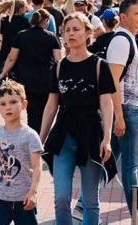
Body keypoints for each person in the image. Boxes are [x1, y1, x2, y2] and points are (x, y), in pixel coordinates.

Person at [38, 13, 114, 225]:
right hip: (64, 134)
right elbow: (51, 105)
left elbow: (106, 104)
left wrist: (107, 138)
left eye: (76, 29)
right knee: (61, 197)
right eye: (67, 30)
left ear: (88, 33)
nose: (70, 34)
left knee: (90, 201)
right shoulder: (59, 66)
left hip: (92, 133)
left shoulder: (100, 65)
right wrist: (39, 138)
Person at [90, 0, 138, 214]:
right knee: (131, 166)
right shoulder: (122, 41)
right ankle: (137, 214)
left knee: (109, 161)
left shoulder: (127, 38)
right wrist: (119, 117)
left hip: (127, 109)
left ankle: (83, 204)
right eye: (137, 13)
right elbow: (112, 82)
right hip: (126, 110)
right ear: (123, 17)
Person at [0, 80, 44, 225]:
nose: (8, 107)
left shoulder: (30, 135)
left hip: (24, 199)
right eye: (3, 104)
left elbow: (37, 167)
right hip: (0, 199)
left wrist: (33, 192)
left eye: (13, 102)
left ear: (24, 105)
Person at [0, 9, 61, 135]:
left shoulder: (21, 35)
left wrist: (4, 72)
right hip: (46, 78)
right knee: (45, 110)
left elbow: (12, 57)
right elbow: (58, 60)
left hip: (26, 77)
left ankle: (33, 137)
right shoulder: (51, 37)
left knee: (31, 111)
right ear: (44, 21)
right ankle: (43, 137)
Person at [0, 0, 31, 83]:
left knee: (3, 80)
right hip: (20, 53)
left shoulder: (4, 20)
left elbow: (1, 36)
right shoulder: (25, 22)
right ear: (21, 9)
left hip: (5, 51)